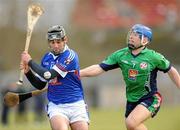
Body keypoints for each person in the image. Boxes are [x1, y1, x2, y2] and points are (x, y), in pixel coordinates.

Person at [80, 24, 180, 130]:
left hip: (150, 98)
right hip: (131, 99)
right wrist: (78, 73)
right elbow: (99, 68)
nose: (132, 36)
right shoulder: (120, 55)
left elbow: (171, 70)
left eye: (136, 35)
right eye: (131, 33)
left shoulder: (153, 57)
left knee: (131, 122)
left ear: (145, 40)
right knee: (132, 126)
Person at [20, 25, 89, 130]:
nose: (56, 45)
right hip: (57, 107)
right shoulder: (46, 58)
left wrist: (29, 61)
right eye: (52, 42)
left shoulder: (70, 56)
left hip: (76, 104)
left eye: (58, 42)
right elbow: (40, 84)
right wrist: (28, 72)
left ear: (65, 40)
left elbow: (48, 74)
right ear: (49, 43)